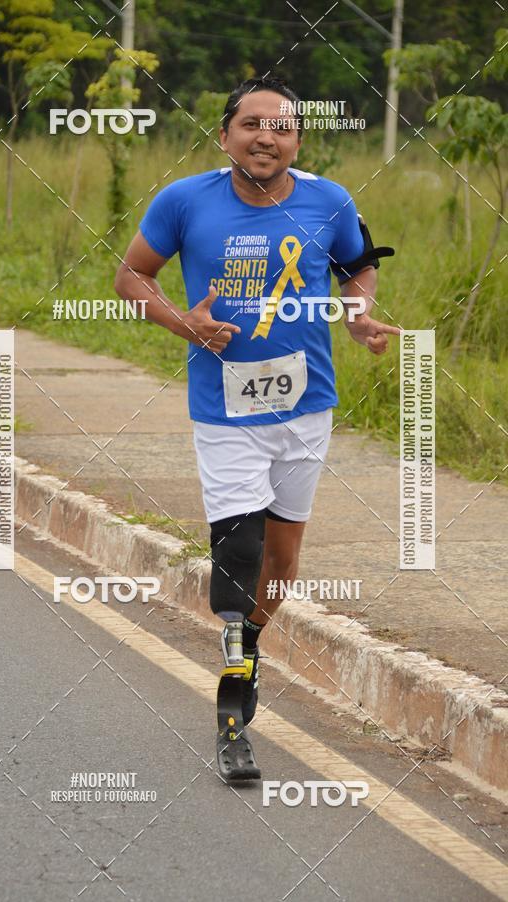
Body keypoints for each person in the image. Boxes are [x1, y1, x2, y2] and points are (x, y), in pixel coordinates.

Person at [115, 76, 399, 734]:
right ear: (225, 135)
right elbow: (131, 275)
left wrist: (358, 317)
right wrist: (184, 325)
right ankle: (236, 683)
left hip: (308, 403)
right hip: (224, 407)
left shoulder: (330, 200)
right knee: (240, 548)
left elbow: (358, 265)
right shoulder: (184, 201)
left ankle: (249, 646)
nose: (265, 136)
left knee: (280, 557)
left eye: (281, 127)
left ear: (297, 141)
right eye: (251, 125)